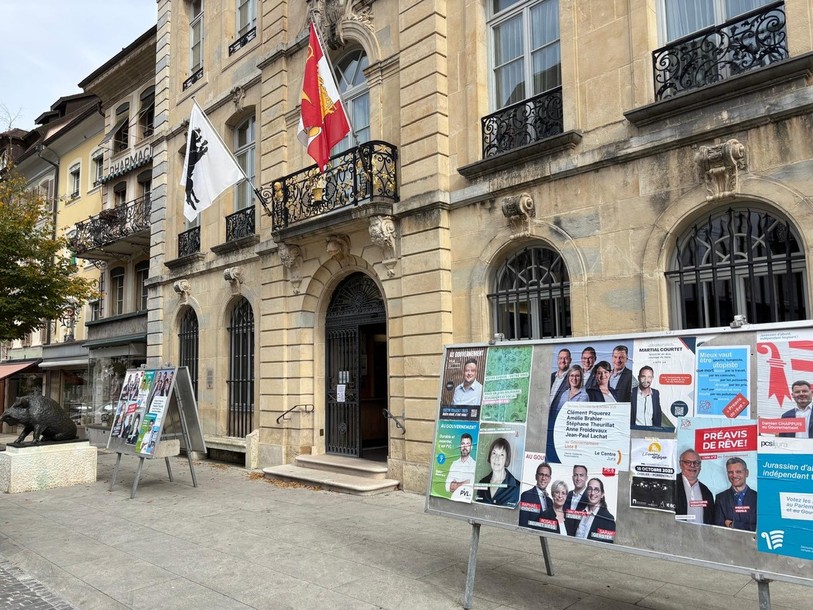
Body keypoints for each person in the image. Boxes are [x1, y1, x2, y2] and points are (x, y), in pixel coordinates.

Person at [545, 366, 589, 462]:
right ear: (568, 378)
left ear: (581, 378)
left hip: (572, 434)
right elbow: (557, 412)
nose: (574, 378)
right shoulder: (565, 393)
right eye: (571, 376)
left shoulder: (584, 396)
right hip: (560, 430)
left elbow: (576, 417)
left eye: (577, 376)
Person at [714, 457, 757, 531]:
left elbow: (757, 528)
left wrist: (733, 525)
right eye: (730, 472)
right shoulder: (720, 498)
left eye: (738, 472)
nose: (734, 475)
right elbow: (719, 529)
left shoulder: (758, 498)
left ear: (746, 473)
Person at [476, 437, 520, 507]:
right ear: (490, 456)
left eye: (502, 455)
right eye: (494, 453)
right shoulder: (482, 483)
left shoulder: (517, 487)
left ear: (506, 459)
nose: (497, 458)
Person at [674, 449, 714, 525]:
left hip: (701, 535)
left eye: (696, 463)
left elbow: (711, 520)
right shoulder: (672, 486)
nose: (692, 466)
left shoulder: (707, 492)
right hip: (676, 535)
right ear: (680, 464)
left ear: (700, 466)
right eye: (688, 462)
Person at [572, 478, 616, 543]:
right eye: (590, 489)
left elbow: (607, 547)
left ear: (602, 494)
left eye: (596, 490)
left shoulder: (608, 519)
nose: (592, 493)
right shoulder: (579, 512)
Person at [518, 463, 556, 530]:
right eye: (541, 474)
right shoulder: (526, 496)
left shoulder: (550, 501)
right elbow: (523, 524)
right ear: (536, 477)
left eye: (546, 475)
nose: (543, 478)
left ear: (550, 479)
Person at [445, 433, 476, 502]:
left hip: (467, 502)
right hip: (453, 500)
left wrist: (455, 484)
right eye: (463, 443)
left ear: (471, 447)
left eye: (468, 444)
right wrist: (463, 483)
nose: (465, 446)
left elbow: (471, 487)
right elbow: (447, 486)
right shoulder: (454, 464)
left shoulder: (475, 465)